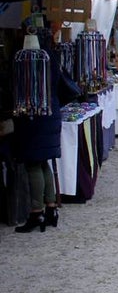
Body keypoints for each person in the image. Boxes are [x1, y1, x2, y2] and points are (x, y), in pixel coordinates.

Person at [13, 30, 69, 233]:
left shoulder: (24, 60)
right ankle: (51, 208)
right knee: (43, 162)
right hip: (50, 114)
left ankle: (37, 212)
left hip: (33, 118)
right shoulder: (49, 59)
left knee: (33, 164)